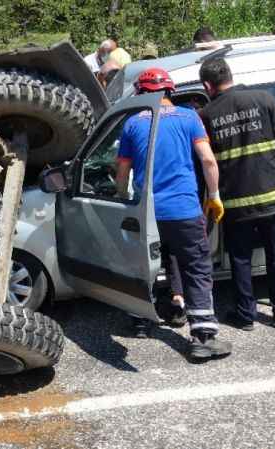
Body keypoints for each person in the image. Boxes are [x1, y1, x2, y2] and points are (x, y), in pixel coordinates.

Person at [115, 67, 232, 360]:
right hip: (184, 210)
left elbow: (122, 173)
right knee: (196, 268)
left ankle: (142, 321)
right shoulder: (189, 117)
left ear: (141, 93)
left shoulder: (131, 124)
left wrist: (122, 198)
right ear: (170, 90)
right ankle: (203, 337)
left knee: (144, 266)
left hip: (147, 212)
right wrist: (214, 196)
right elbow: (207, 160)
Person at [198, 58, 275, 331]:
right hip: (274, 197)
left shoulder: (207, 115)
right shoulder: (264, 99)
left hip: (236, 204)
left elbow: (203, 160)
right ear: (230, 76)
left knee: (240, 260)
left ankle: (245, 316)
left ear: (206, 85)